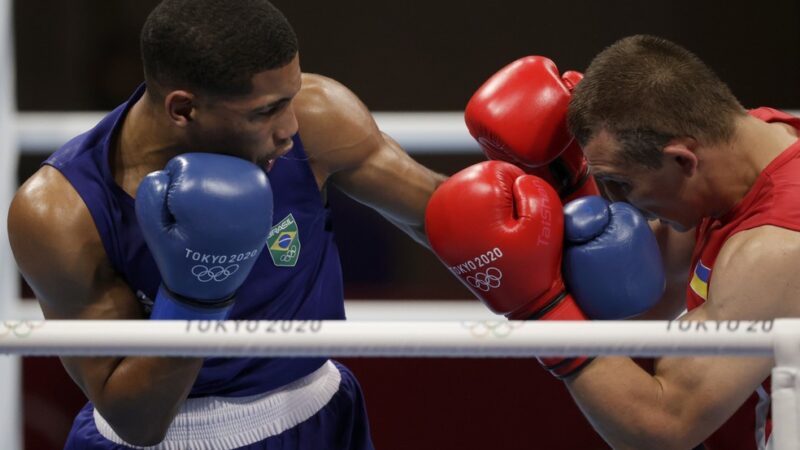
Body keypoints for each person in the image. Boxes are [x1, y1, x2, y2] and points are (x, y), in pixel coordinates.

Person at [7, 0, 445, 448]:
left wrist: (511, 212)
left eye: (290, 97)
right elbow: (137, 421)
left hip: (319, 420)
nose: (289, 128)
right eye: (265, 111)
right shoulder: (61, 212)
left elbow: (440, 216)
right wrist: (195, 297)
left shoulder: (318, 117)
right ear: (183, 109)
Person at [426, 35, 800, 449]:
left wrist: (543, 311)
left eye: (620, 184)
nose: (621, 206)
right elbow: (639, 301)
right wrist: (568, 191)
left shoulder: (776, 250)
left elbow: (663, 426)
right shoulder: (748, 149)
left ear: (682, 159)